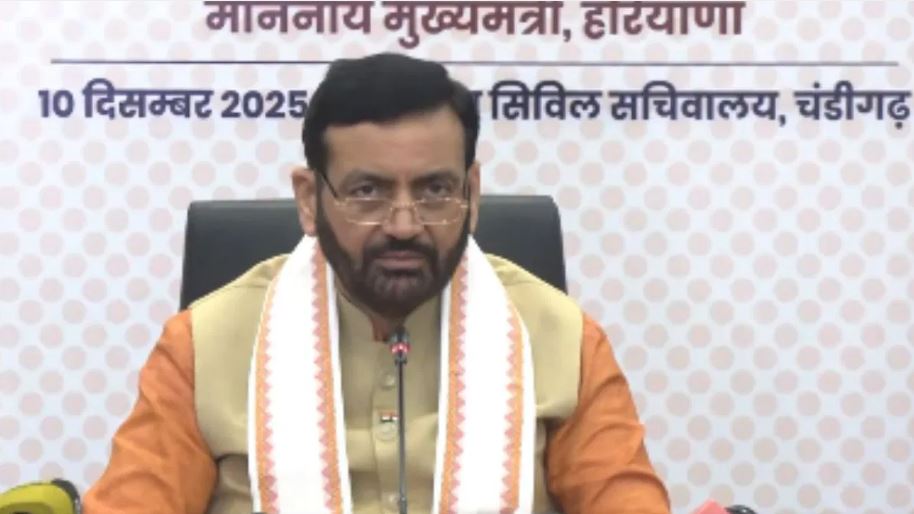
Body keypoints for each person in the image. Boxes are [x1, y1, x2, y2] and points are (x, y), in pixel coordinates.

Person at [83, 53, 670, 514]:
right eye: (368, 192)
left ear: (471, 194)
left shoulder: (561, 338)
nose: (404, 225)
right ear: (309, 200)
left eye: (435, 190)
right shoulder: (202, 346)